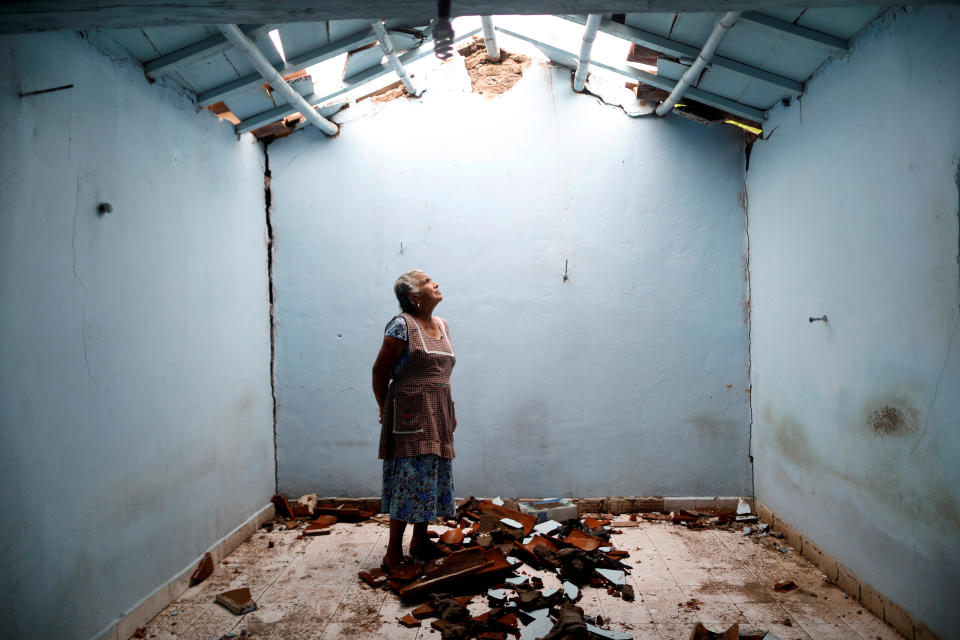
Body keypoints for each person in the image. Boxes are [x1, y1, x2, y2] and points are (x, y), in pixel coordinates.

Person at [372, 270, 457, 572]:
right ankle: (392, 553)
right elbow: (380, 372)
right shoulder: (401, 326)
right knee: (408, 478)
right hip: (408, 412)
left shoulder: (443, 325)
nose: (435, 282)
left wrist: (451, 411)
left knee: (431, 475)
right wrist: (385, 410)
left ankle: (420, 542)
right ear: (414, 297)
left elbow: (443, 374)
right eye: (426, 282)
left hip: (439, 412)